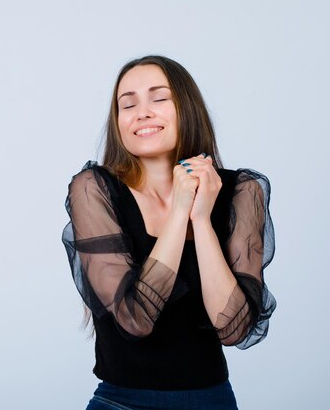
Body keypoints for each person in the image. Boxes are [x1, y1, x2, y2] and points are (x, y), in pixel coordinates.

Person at [61, 55, 276, 410]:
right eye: (127, 104)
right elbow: (135, 319)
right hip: (121, 402)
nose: (142, 112)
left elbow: (234, 329)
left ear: (186, 108)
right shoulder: (94, 190)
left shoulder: (242, 191)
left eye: (159, 98)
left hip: (212, 401)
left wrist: (202, 220)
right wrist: (179, 212)